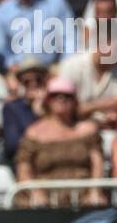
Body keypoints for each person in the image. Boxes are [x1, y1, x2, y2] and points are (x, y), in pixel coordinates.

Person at [15, 77, 105, 208]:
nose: (61, 99)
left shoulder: (88, 130)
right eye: (55, 96)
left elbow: (98, 163)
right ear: (47, 101)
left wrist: (95, 191)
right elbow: (23, 167)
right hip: (45, 203)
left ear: (75, 101)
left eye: (67, 96)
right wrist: (35, 193)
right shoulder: (34, 133)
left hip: (84, 201)